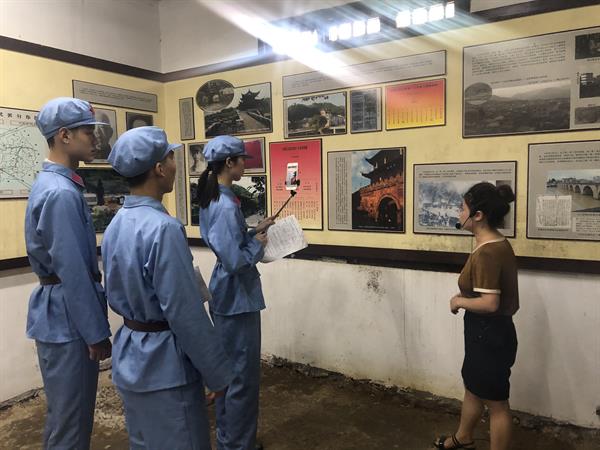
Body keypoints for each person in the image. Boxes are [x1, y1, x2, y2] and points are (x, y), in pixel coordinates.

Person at [102, 126, 233, 449]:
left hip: (131, 353)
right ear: (159, 169)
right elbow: (185, 312)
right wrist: (216, 373)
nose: (176, 165)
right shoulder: (164, 229)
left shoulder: (116, 223)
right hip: (166, 364)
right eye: (172, 157)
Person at [25, 97, 112, 449]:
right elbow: (73, 270)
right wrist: (95, 332)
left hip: (61, 311)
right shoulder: (60, 192)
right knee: (71, 424)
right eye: (87, 131)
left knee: (65, 417)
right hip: (68, 317)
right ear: (64, 135)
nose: (95, 139)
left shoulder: (56, 185)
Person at [197, 135, 275, 450]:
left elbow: (227, 241)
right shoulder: (226, 204)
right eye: (243, 160)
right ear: (229, 163)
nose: (246, 165)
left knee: (229, 375)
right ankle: (239, 445)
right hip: (236, 298)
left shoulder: (216, 198)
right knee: (242, 378)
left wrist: (253, 231)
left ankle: (229, 440)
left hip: (227, 294)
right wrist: (257, 244)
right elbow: (235, 261)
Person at [434, 182, 519, 450]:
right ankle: (463, 437)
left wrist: (459, 300)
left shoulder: (488, 252)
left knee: (496, 403)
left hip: (489, 334)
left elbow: (490, 303)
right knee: (473, 387)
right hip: (487, 332)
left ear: (478, 215)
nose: (459, 214)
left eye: (463, 209)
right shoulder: (495, 244)